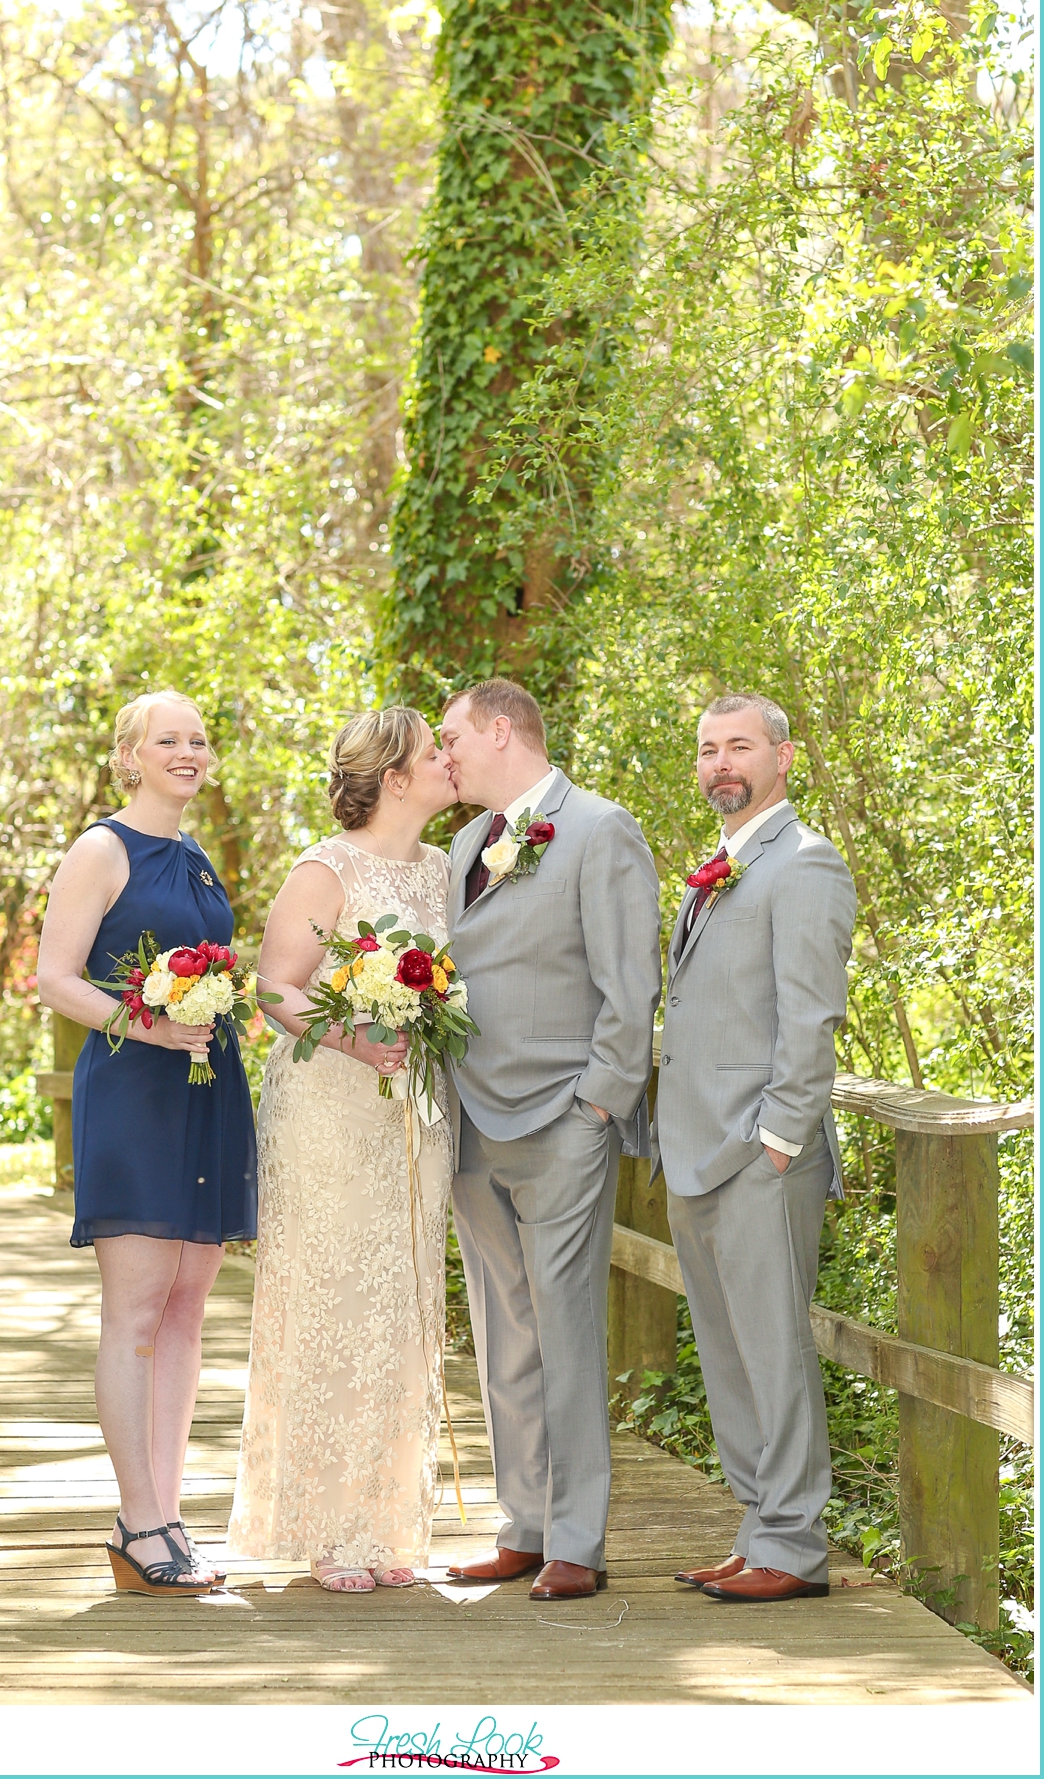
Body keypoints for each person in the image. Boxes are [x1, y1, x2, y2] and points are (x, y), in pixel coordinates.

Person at [438, 679, 660, 1601]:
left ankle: (578, 1539)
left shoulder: (601, 829)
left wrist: (598, 1106)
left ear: (501, 730)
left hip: (564, 1119)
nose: (441, 754)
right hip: (470, 1122)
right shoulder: (463, 845)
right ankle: (523, 1524)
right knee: (502, 1334)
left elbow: (629, 984)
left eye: (451, 737)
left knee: (565, 1329)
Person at [228, 707, 457, 1591]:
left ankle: (389, 1522)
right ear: (395, 777)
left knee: (404, 1302)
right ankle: (328, 1526)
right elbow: (273, 988)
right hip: (329, 1106)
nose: (447, 760)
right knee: (334, 1298)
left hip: (412, 1109)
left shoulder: (443, 870)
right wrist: (354, 1038)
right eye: (433, 752)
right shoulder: (326, 869)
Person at [37, 691, 257, 1595]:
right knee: (135, 1308)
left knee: (187, 1303)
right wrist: (147, 1023)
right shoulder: (102, 850)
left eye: (199, 739)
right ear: (128, 755)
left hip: (205, 1084)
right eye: (168, 739)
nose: (188, 751)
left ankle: (168, 1514)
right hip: (135, 1086)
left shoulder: (196, 857)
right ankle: (138, 1523)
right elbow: (54, 978)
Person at [655, 692, 856, 1603]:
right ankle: (759, 1528)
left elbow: (811, 1020)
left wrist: (778, 1140)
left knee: (773, 1351)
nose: (720, 764)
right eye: (707, 749)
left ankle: (795, 1549)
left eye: (739, 746)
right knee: (728, 1351)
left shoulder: (806, 866)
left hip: (759, 1156)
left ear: (782, 757)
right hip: (695, 1149)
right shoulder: (722, 865)